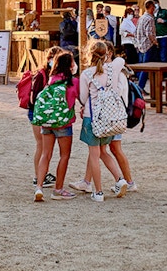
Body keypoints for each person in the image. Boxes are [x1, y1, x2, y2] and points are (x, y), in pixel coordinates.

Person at [72, 41, 129, 202]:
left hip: (93, 117)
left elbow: (83, 98)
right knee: (104, 151)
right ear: (106, 54)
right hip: (109, 117)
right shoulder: (112, 69)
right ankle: (120, 179)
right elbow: (121, 61)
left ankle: (98, 191)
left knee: (94, 155)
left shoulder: (87, 74)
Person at [32, 50, 79, 201]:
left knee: (46, 154)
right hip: (64, 123)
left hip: (47, 122)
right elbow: (77, 100)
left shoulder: (51, 80)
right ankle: (58, 189)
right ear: (71, 65)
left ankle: (39, 186)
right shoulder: (72, 82)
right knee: (64, 155)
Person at [29, 47, 65, 190]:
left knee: (45, 147)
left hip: (44, 113)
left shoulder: (52, 75)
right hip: (38, 113)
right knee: (41, 145)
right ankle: (38, 176)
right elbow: (34, 99)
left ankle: (43, 173)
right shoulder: (41, 75)